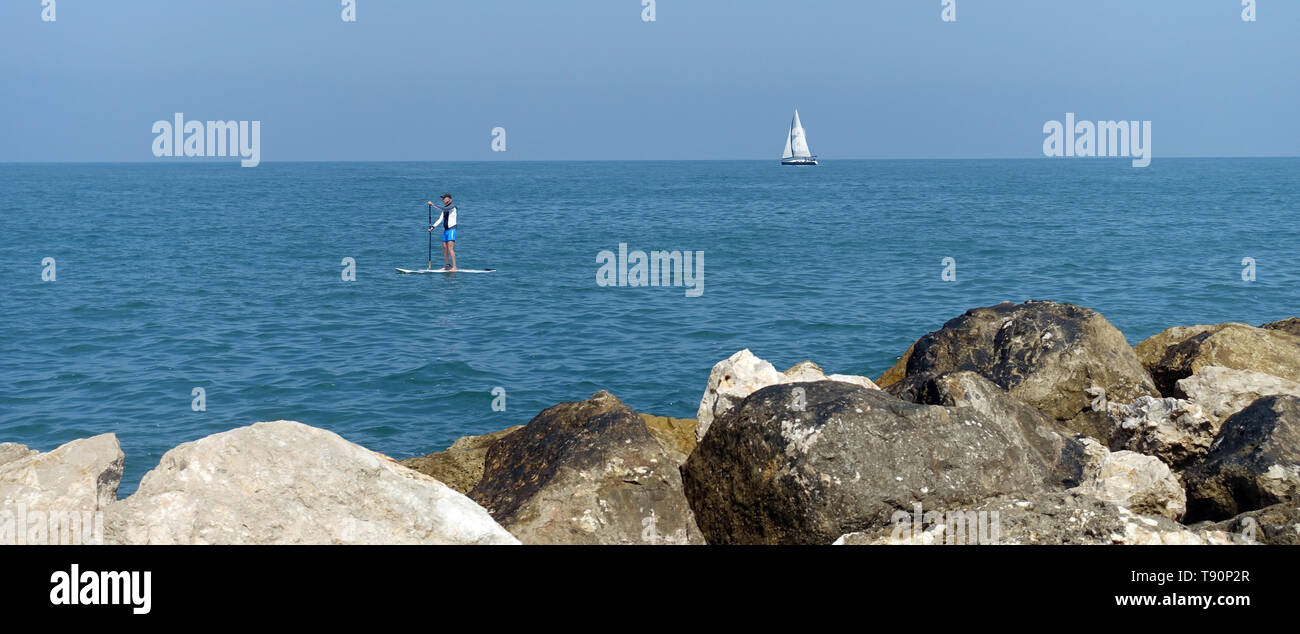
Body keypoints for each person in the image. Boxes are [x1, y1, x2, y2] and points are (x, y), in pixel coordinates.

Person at [427, 193, 459, 271]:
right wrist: (433, 227)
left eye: (444, 198)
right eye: (442, 198)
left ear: (449, 199)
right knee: (444, 247)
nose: (443, 200)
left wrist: (433, 205)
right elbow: (440, 219)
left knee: (450, 248)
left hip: (452, 229)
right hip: (446, 230)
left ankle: (454, 267)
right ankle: (447, 266)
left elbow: (444, 209)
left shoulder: (452, 207)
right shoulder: (444, 209)